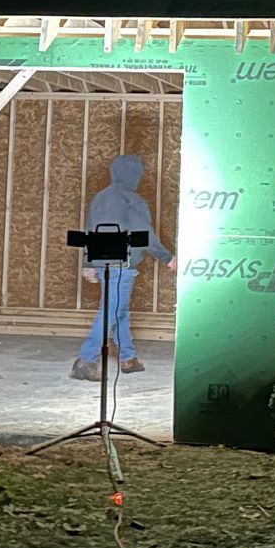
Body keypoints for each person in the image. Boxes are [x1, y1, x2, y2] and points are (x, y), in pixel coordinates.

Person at [71, 153, 174, 381]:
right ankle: (86, 360)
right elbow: (144, 235)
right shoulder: (132, 200)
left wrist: (89, 263)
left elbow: (90, 231)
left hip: (102, 263)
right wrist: (167, 257)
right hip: (122, 265)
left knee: (119, 309)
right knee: (112, 310)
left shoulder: (100, 198)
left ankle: (128, 357)